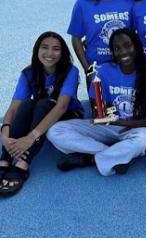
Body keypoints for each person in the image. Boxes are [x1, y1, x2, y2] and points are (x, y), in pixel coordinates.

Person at [47, 29, 146, 176]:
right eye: (117, 48)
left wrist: (123, 123)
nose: (123, 52)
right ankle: (117, 155)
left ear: (137, 46)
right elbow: (98, 106)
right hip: (108, 126)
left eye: (127, 46)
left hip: (134, 128)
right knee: (55, 131)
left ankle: (88, 159)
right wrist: (100, 114)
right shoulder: (103, 71)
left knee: (144, 140)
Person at [0, 32, 84, 195]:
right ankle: (6, 158)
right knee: (27, 104)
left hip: (69, 116)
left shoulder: (70, 71)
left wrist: (30, 138)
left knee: (44, 104)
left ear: (63, 53)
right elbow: (12, 108)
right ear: (37, 50)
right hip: (41, 114)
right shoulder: (28, 73)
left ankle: (23, 163)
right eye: (45, 47)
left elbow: (61, 107)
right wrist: (4, 136)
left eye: (56, 49)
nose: (50, 53)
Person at [68, 0, 138, 88]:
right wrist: (87, 69)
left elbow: (138, 34)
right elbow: (76, 38)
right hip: (97, 69)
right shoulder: (84, 4)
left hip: (126, 68)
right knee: (100, 108)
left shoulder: (132, 3)